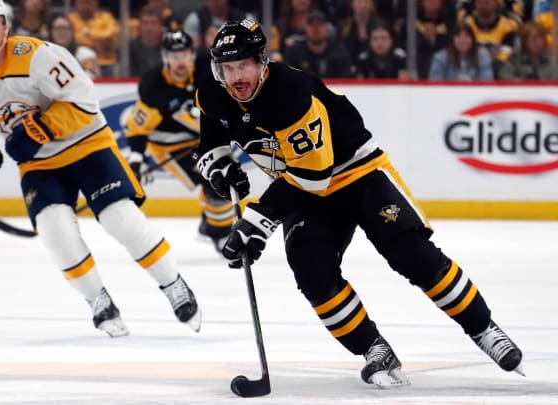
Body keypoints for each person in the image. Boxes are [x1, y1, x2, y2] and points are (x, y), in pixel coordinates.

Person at [194, 18, 524, 388]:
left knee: (409, 252)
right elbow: (212, 137)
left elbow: (312, 176)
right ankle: (374, 349)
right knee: (311, 271)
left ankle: (484, 329)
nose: (236, 76)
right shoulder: (213, 92)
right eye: (228, 68)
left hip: (355, 172)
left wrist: (259, 219)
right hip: (303, 190)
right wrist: (219, 166)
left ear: (262, 62)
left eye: (244, 66)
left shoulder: (291, 93)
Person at [0, 0, 201, 338]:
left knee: (119, 218)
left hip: (87, 145)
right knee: (55, 231)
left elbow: (83, 99)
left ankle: (174, 285)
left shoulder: (37, 55)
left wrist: (41, 129)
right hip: (39, 164)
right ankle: (98, 300)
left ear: (6, 27)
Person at [124, 29, 234, 252]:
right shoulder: (154, 85)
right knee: (214, 180)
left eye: (184, 54)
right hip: (170, 148)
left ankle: (211, 224)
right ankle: (219, 233)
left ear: (192, 54)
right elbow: (137, 128)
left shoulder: (207, 69)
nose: (180, 61)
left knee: (226, 177)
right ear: (165, 57)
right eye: (174, 56)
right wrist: (136, 159)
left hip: (203, 138)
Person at [282, 8, 353, 79]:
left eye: (320, 24)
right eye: (311, 24)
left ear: (326, 28)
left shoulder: (339, 53)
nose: (316, 28)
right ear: (306, 28)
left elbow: (346, 83)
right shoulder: (294, 53)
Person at [428, 24, 494, 81]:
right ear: (452, 39)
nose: (463, 40)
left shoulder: (483, 57)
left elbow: (487, 84)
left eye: (467, 36)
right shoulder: (440, 58)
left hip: (477, 95)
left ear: (473, 40)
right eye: (458, 36)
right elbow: (435, 84)